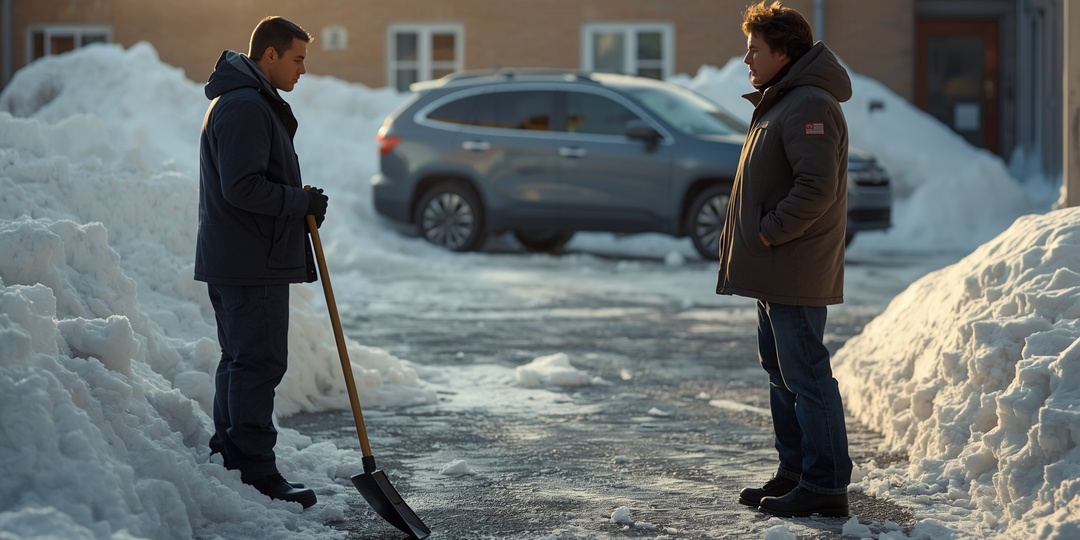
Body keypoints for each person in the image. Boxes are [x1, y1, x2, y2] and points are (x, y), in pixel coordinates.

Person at [716, 1, 853, 518]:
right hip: (774, 266)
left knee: (806, 374)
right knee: (781, 370)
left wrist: (769, 235)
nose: (746, 59)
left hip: (792, 264)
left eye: (754, 49)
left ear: (784, 52)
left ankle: (825, 483)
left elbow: (816, 188)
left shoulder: (809, 104)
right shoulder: (783, 100)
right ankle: (796, 471)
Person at [195, 15, 328, 509]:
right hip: (252, 260)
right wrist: (300, 202)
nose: (302, 70)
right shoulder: (247, 106)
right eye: (296, 59)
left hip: (240, 255)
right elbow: (243, 186)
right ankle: (254, 470)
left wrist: (299, 198)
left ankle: (230, 454)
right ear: (268, 56)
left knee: (240, 361)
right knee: (258, 363)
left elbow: (245, 181)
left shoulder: (240, 102)